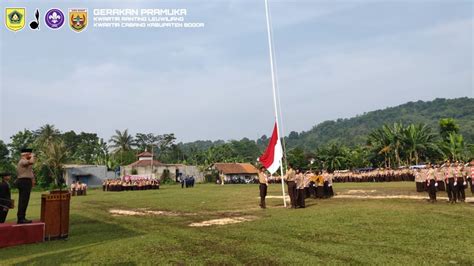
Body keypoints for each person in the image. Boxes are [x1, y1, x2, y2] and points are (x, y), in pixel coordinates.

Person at [16, 148, 35, 224]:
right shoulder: (23, 161)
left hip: (26, 181)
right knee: (23, 200)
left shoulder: (26, 161)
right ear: (25, 154)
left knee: (25, 200)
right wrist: (33, 156)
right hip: (23, 181)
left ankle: (22, 217)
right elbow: (32, 162)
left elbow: (30, 171)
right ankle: (21, 218)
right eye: (29, 154)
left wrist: (32, 180)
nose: (30, 155)